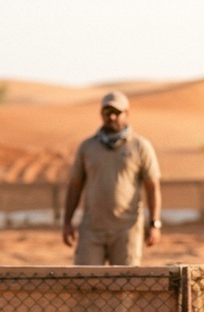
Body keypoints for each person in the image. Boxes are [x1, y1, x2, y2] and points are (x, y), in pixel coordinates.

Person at [62, 91, 162, 265]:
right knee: (86, 283)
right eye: (107, 112)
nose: (112, 117)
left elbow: (152, 186)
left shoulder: (140, 146)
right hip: (92, 228)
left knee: (125, 286)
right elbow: (75, 185)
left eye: (117, 112)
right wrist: (67, 223)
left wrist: (154, 224)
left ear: (127, 114)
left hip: (126, 228)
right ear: (102, 114)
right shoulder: (87, 147)